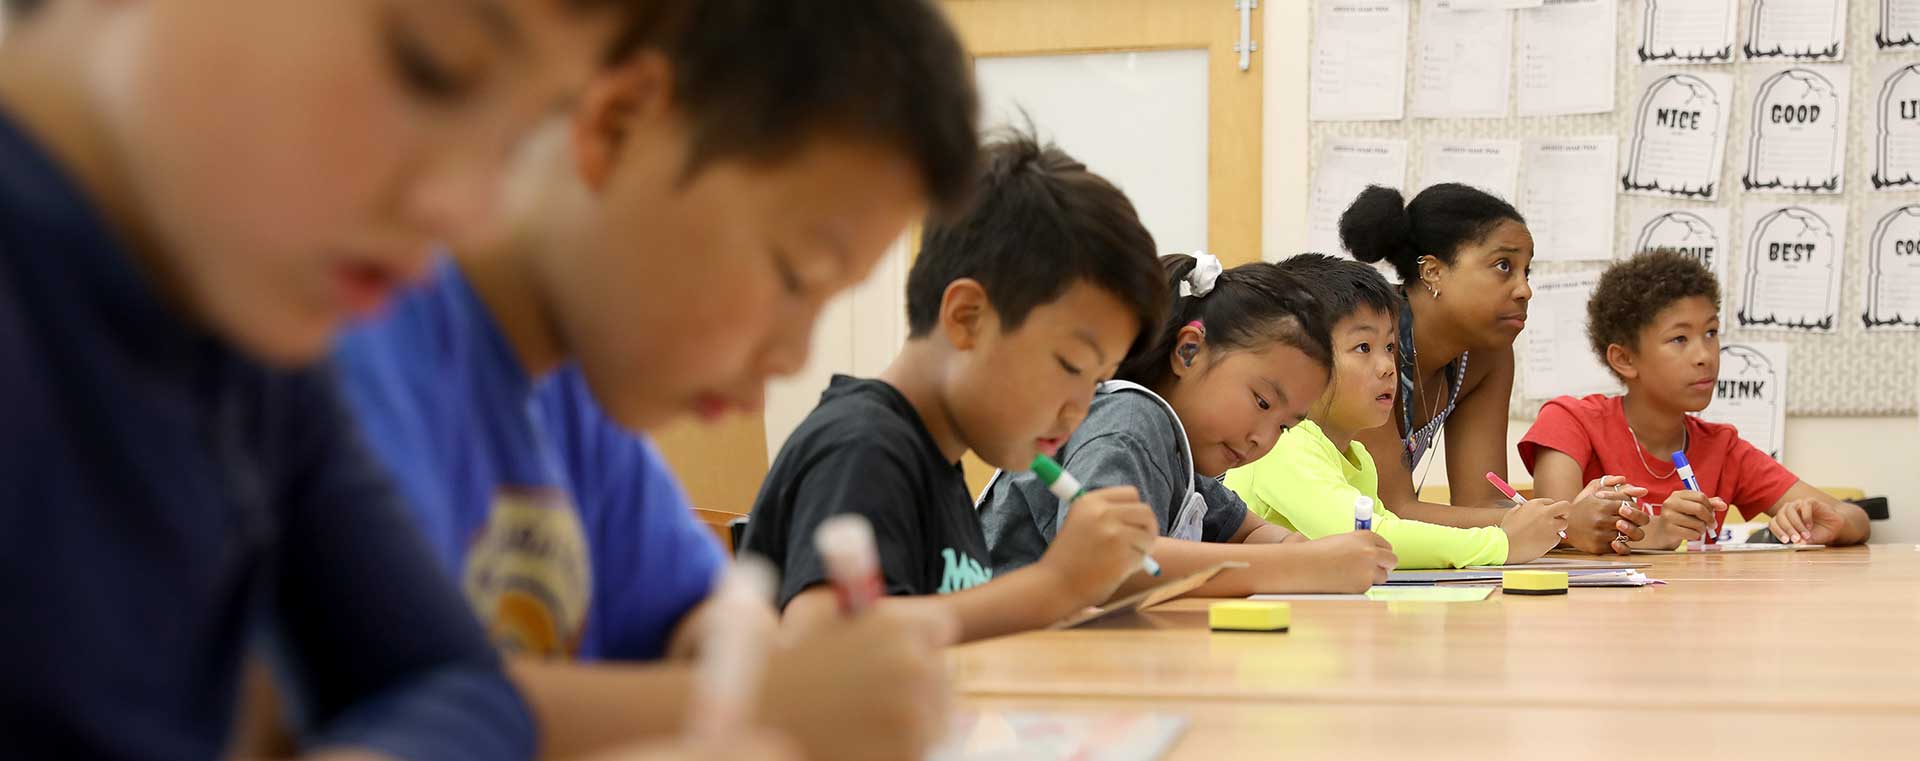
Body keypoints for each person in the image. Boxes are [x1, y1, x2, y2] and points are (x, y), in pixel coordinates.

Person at [0, 0, 681, 758]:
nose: (473, 215)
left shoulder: (242, 338)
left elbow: (461, 683)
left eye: (525, 136)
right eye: (433, 64)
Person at [334, 2, 977, 759]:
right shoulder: (355, 336)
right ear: (621, 124)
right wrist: (751, 702)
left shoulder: (575, 391)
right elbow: (384, 707)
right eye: (794, 275)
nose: (794, 355)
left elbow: (704, 612)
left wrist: (747, 657)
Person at [739, 132, 1168, 643]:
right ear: (968, 318)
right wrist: (1055, 585)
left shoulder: (938, 465)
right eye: (1071, 365)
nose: (1079, 409)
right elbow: (823, 633)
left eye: (1099, 381)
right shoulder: (864, 447)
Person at [979, 252, 1399, 596]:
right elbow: (1111, 564)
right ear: (1189, 352)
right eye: (1262, 401)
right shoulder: (1129, 423)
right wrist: (1301, 566)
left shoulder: (1180, 458)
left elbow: (1249, 533)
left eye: (1286, 427)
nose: (1263, 439)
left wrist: (1314, 553)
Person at [1340, 183, 1650, 554]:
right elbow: (1394, 510)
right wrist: (1565, 523)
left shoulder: (1489, 354)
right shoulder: (1366, 344)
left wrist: (1589, 517)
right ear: (1434, 271)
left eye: (1527, 272)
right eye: (1504, 266)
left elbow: (1483, 501)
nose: (1524, 290)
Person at [1226, 255, 1575, 568]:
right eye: (1363, 347)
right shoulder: (1284, 448)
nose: (1387, 366)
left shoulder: (1356, 456)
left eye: (1390, 346)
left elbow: (1386, 535)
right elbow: (1376, 537)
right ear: (1299, 360)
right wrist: (1501, 543)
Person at [1520, 250, 1870, 549]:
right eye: (1679, 339)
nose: (1705, 355)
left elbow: (1854, 517)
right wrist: (1657, 532)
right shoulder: (1570, 421)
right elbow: (1554, 528)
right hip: (1592, 622)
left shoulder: (1723, 448)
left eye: (1711, 333)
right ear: (1625, 359)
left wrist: (1827, 522)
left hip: (1698, 619)